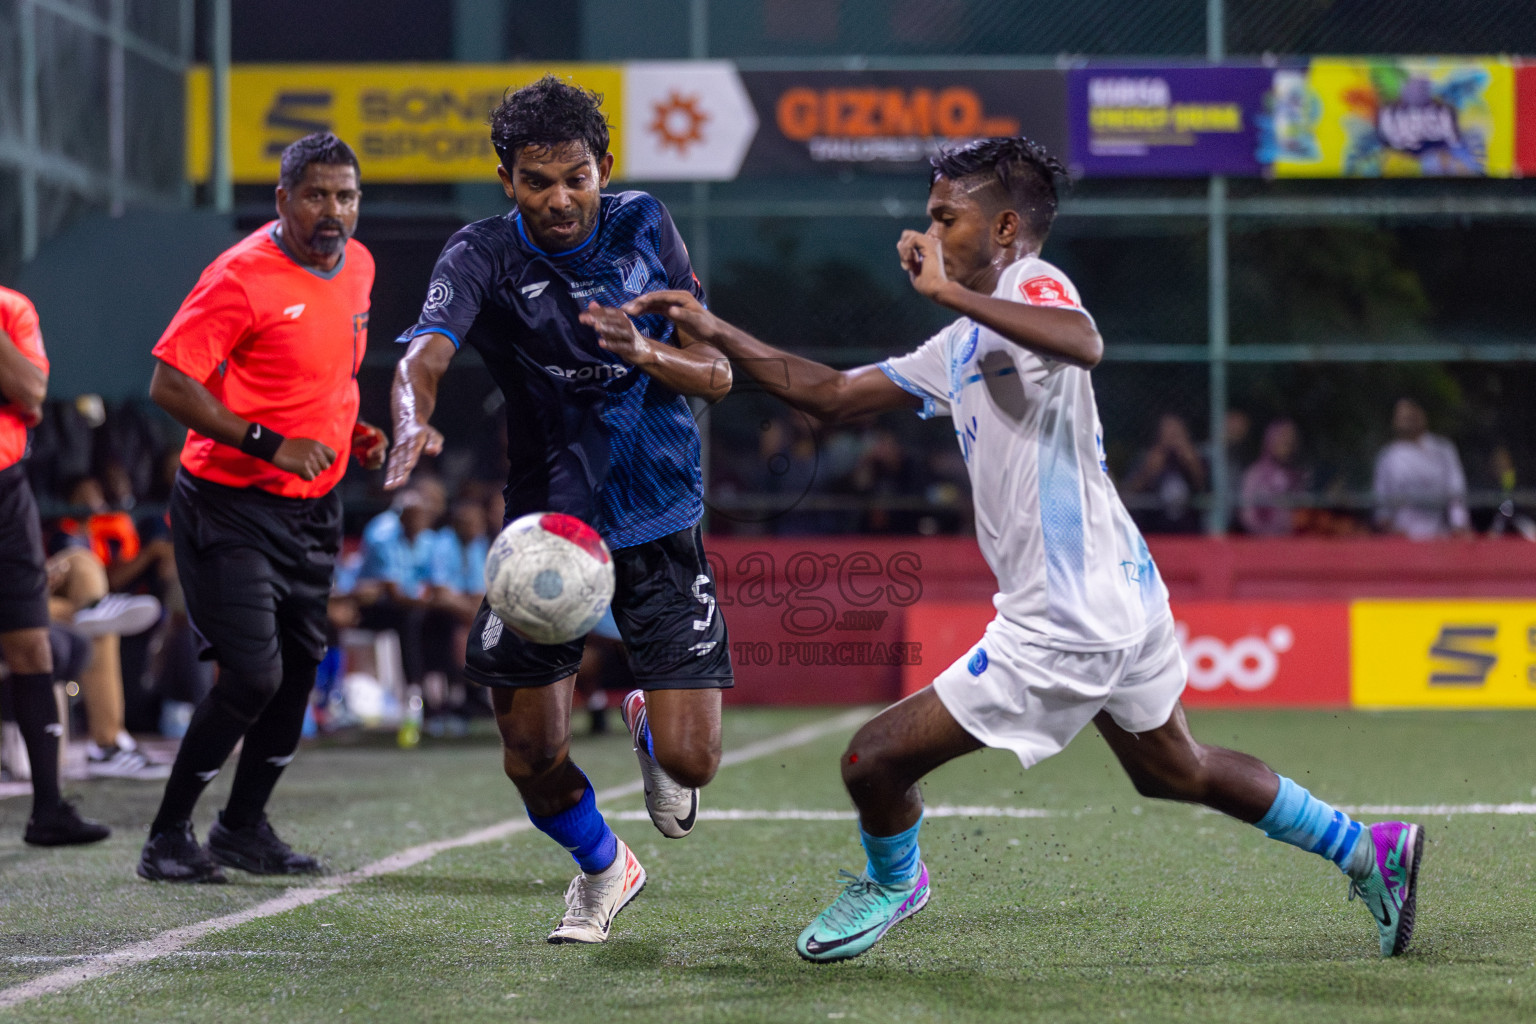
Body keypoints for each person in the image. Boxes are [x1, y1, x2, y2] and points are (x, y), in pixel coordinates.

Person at [622, 137, 1424, 962]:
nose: (926, 235)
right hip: (1122, 589)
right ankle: (1370, 850)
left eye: (944, 217)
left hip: (1066, 617)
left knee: (873, 760)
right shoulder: (963, 343)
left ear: (1004, 226)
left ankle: (897, 882)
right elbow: (829, 394)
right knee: (1173, 768)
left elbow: (1081, 340)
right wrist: (714, 329)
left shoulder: (1029, 284)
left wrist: (947, 293)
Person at [386, 76, 732, 944]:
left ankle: (652, 724)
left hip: (658, 514)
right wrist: (410, 419)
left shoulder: (644, 224)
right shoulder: (480, 256)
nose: (559, 198)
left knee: (694, 764)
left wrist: (643, 348)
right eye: (537, 180)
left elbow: (717, 373)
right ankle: (604, 867)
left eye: (576, 176)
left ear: (603, 169)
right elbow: (423, 357)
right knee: (531, 753)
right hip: (549, 533)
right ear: (507, 179)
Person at [136, 132, 387, 883]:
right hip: (228, 502)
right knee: (252, 677)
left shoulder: (360, 265)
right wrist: (267, 442)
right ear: (283, 200)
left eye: (345, 196)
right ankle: (166, 838)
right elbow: (169, 385)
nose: (332, 211)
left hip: (315, 509)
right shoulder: (240, 276)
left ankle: (242, 829)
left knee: (301, 672)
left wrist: (354, 432)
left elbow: (325, 377)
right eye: (316, 195)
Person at [0, 284, 111, 845]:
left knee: (32, 645)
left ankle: (48, 810)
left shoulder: (12, 308)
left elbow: (31, 393)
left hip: (6, 490)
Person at [1373, 398, 1470, 539]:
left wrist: (1459, 527)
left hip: (1441, 538)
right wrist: (1392, 533)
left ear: (1421, 415)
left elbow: (1456, 493)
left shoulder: (1443, 450)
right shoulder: (1388, 457)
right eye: (1401, 417)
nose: (1406, 421)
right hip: (1402, 541)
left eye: (1409, 416)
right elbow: (1382, 507)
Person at [1122, 412, 1207, 533]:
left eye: (1176, 430)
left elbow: (1206, 490)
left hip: (1190, 530)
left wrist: (1192, 464)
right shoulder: (1146, 457)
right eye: (1167, 429)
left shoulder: (1195, 458)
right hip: (1153, 528)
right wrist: (1147, 471)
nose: (1172, 434)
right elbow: (1128, 493)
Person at [1239, 418, 1311, 536]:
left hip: (1295, 542)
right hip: (1263, 542)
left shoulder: (1299, 475)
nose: (1288, 442)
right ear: (1270, 440)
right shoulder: (1256, 474)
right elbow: (1247, 514)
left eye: (1292, 438)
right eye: (1283, 437)